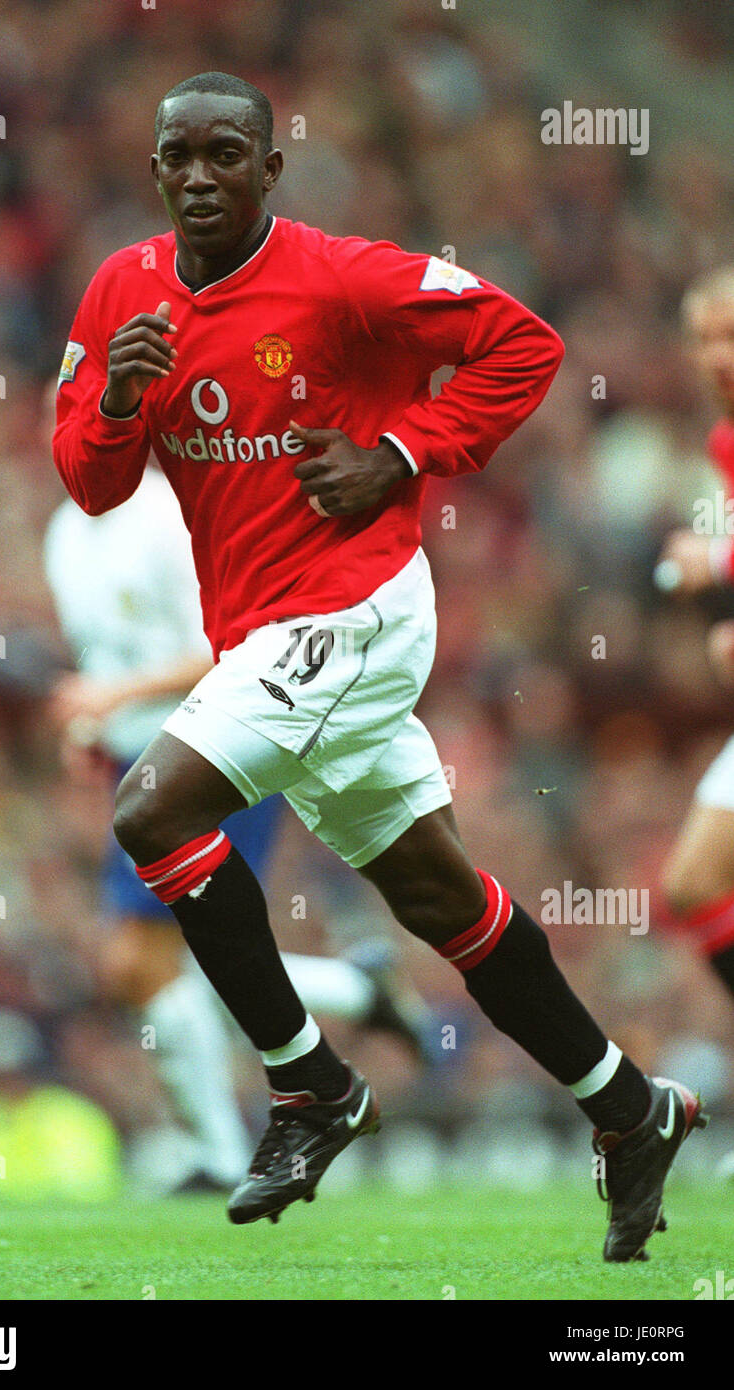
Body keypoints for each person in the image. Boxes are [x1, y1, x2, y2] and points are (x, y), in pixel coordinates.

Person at [53, 71, 705, 1260]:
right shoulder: (120, 293)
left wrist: (401, 453)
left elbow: (523, 344)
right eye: (177, 158)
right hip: (267, 631)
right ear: (155, 170)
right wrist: (116, 397)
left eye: (223, 155)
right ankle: (627, 1105)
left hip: (355, 603)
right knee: (436, 897)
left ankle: (308, 1086)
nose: (199, 176)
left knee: (151, 807)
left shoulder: (341, 276)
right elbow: (89, 483)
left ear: (268, 168)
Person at [44, 464, 431, 1190]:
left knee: (139, 964)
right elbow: (106, 658)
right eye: (55, 412)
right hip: (141, 763)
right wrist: (94, 722)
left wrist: (112, 693)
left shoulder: (167, 519)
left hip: (216, 747)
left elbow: (229, 649)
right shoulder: (65, 531)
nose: (66, 429)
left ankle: (220, 1155)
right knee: (179, 964)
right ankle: (357, 991)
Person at [658, 269, 734, 1001]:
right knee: (692, 884)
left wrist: (709, 560)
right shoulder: (723, 442)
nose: (717, 356)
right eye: (704, 340)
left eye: (732, 337)